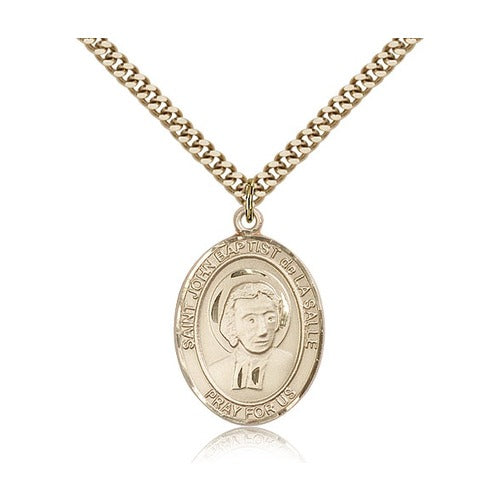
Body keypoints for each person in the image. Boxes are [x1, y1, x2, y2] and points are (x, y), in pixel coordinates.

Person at [209, 282, 294, 391]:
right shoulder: (216, 371)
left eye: (270, 318)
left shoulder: (288, 363)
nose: (263, 331)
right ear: (231, 324)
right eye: (251, 320)